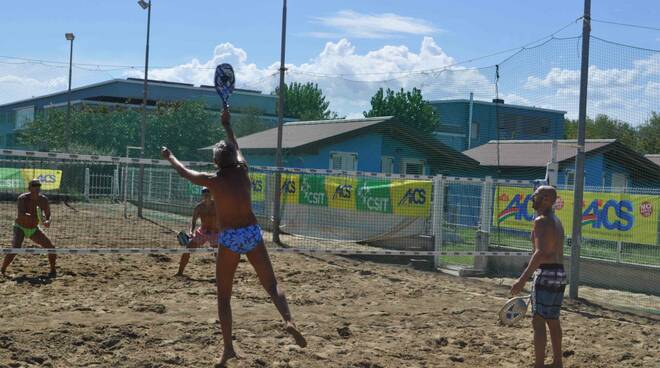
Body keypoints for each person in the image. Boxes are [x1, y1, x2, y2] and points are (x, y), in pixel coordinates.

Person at [161, 109, 306, 365]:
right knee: (272, 285)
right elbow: (236, 145)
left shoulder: (214, 181)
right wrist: (227, 126)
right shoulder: (244, 170)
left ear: (216, 162)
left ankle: (228, 348)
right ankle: (288, 320)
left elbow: (186, 173)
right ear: (234, 159)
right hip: (251, 232)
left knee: (224, 297)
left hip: (229, 238)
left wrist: (170, 156)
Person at [511, 185, 567, 368]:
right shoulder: (556, 221)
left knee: (538, 321)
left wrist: (522, 279)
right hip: (559, 273)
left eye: (535, 196)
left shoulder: (541, 220)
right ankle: (557, 362)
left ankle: (539, 365)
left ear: (546, 199)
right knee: (553, 319)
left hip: (546, 273)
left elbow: (540, 253)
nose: (532, 199)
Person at [1, 179, 57, 277]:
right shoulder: (22, 198)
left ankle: (53, 270)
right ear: (29, 188)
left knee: (51, 248)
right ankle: (2, 269)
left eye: (38, 185)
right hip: (20, 227)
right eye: (34, 185)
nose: (37, 187)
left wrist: (47, 221)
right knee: (15, 248)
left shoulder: (43, 200)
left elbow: (48, 215)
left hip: (33, 229)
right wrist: (37, 217)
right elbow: (22, 214)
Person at [176, 187, 219, 276]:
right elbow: (193, 222)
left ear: (211, 194)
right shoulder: (199, 207)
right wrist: (191, 232)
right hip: (202, 232)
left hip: (215, 232)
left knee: (218, 254)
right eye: (204, 193)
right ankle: (179, 273)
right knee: (188, 249)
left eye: (208, 192)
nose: (206, 194)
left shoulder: (218, 206)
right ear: (202, 195)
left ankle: (221, 275)